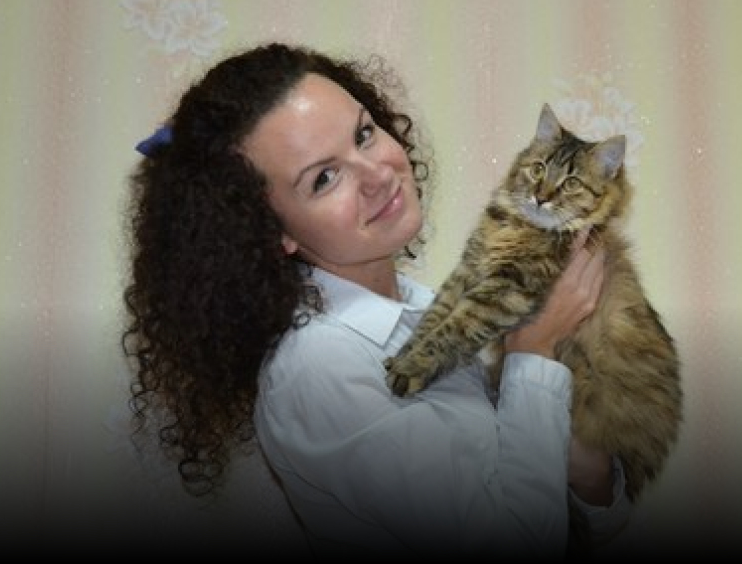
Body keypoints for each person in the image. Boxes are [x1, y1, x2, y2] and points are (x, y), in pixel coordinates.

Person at [121, 43, 633, 558]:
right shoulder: (319, 368)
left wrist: (588, 472)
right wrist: (534, 351)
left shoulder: (422, 310)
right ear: (273, 231)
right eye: (324, 178)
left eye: (363, 134)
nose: (378, 174)